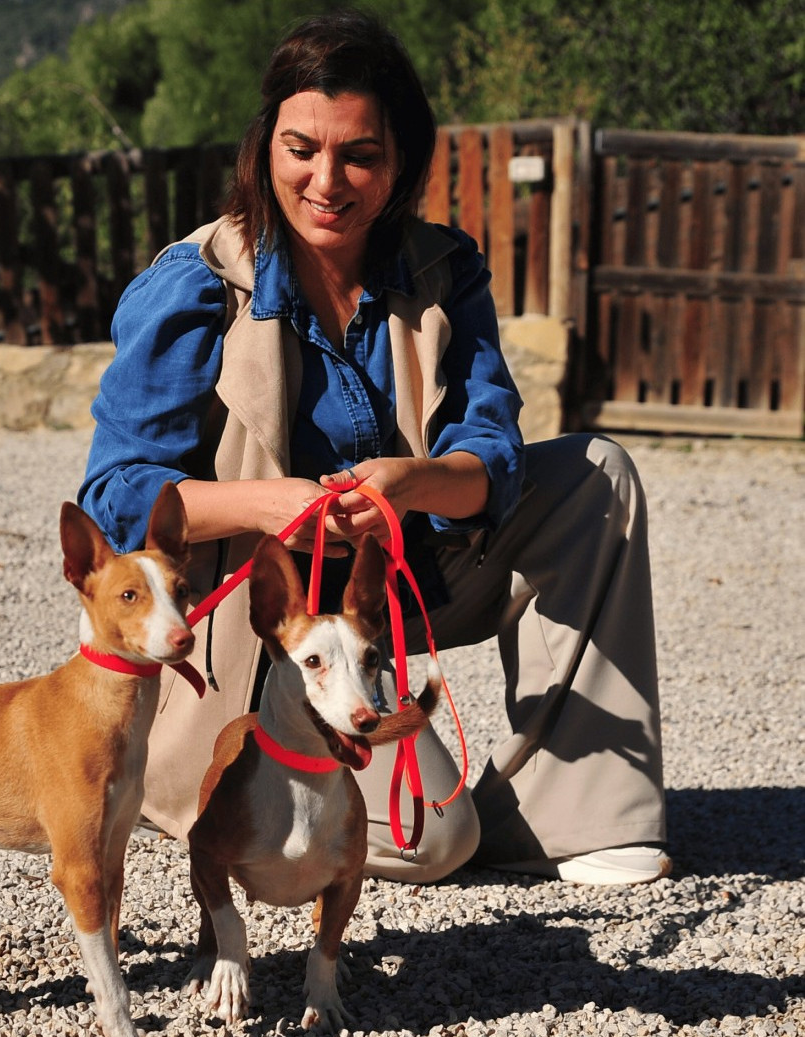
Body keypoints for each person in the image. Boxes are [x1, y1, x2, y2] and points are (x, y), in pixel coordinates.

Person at [78, 9, 669, 885]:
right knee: (435, 841)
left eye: (360, 154)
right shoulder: (194, 283)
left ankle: (569, 813)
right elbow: (116, 496)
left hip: (404, 585)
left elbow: (491, 462)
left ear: (400, 165)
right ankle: (214, 787)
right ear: (263, 148)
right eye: (301, 148)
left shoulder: (445, 268)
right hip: (268, 620)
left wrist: (414, 482)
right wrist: (269, 506)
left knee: (598, 477)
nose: (328, 180)